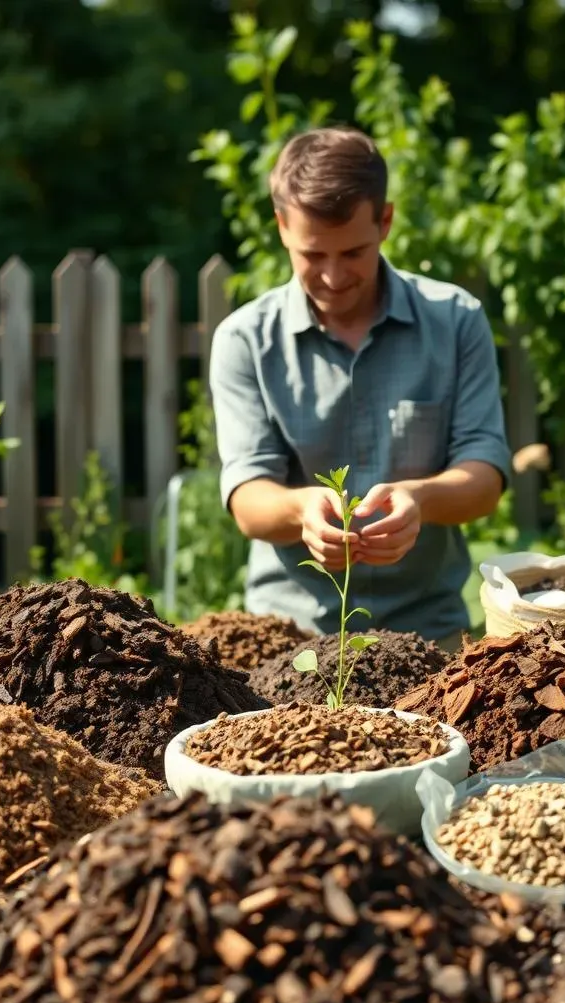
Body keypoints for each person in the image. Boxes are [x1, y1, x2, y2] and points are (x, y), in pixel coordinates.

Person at [208, 126, 511, 652]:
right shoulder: (244, 340)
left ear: (385, 221)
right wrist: (302, 511)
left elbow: (485, 477)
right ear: (282, 227)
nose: (331, 275)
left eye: (352, 253)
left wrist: (420, 498)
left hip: (428, 631)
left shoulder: (456, 320)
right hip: (288, 637)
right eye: (312, 255)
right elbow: (247, 499)